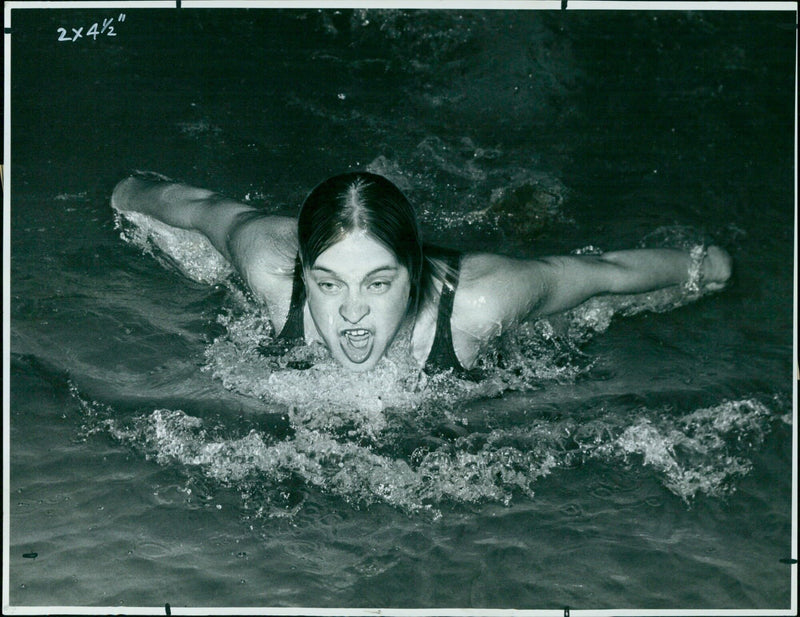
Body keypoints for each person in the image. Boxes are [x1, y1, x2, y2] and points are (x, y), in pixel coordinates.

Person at [111, 171, 732, 376]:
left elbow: (603, 272)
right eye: (329, 284)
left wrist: (704, 267)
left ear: (415, 271)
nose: (351, 312)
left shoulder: (482, 302)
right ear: (303, 271)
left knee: (531, 239)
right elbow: (193, 208)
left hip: (486, 271)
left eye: (378, 283)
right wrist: (127, 191)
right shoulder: (268, 265)